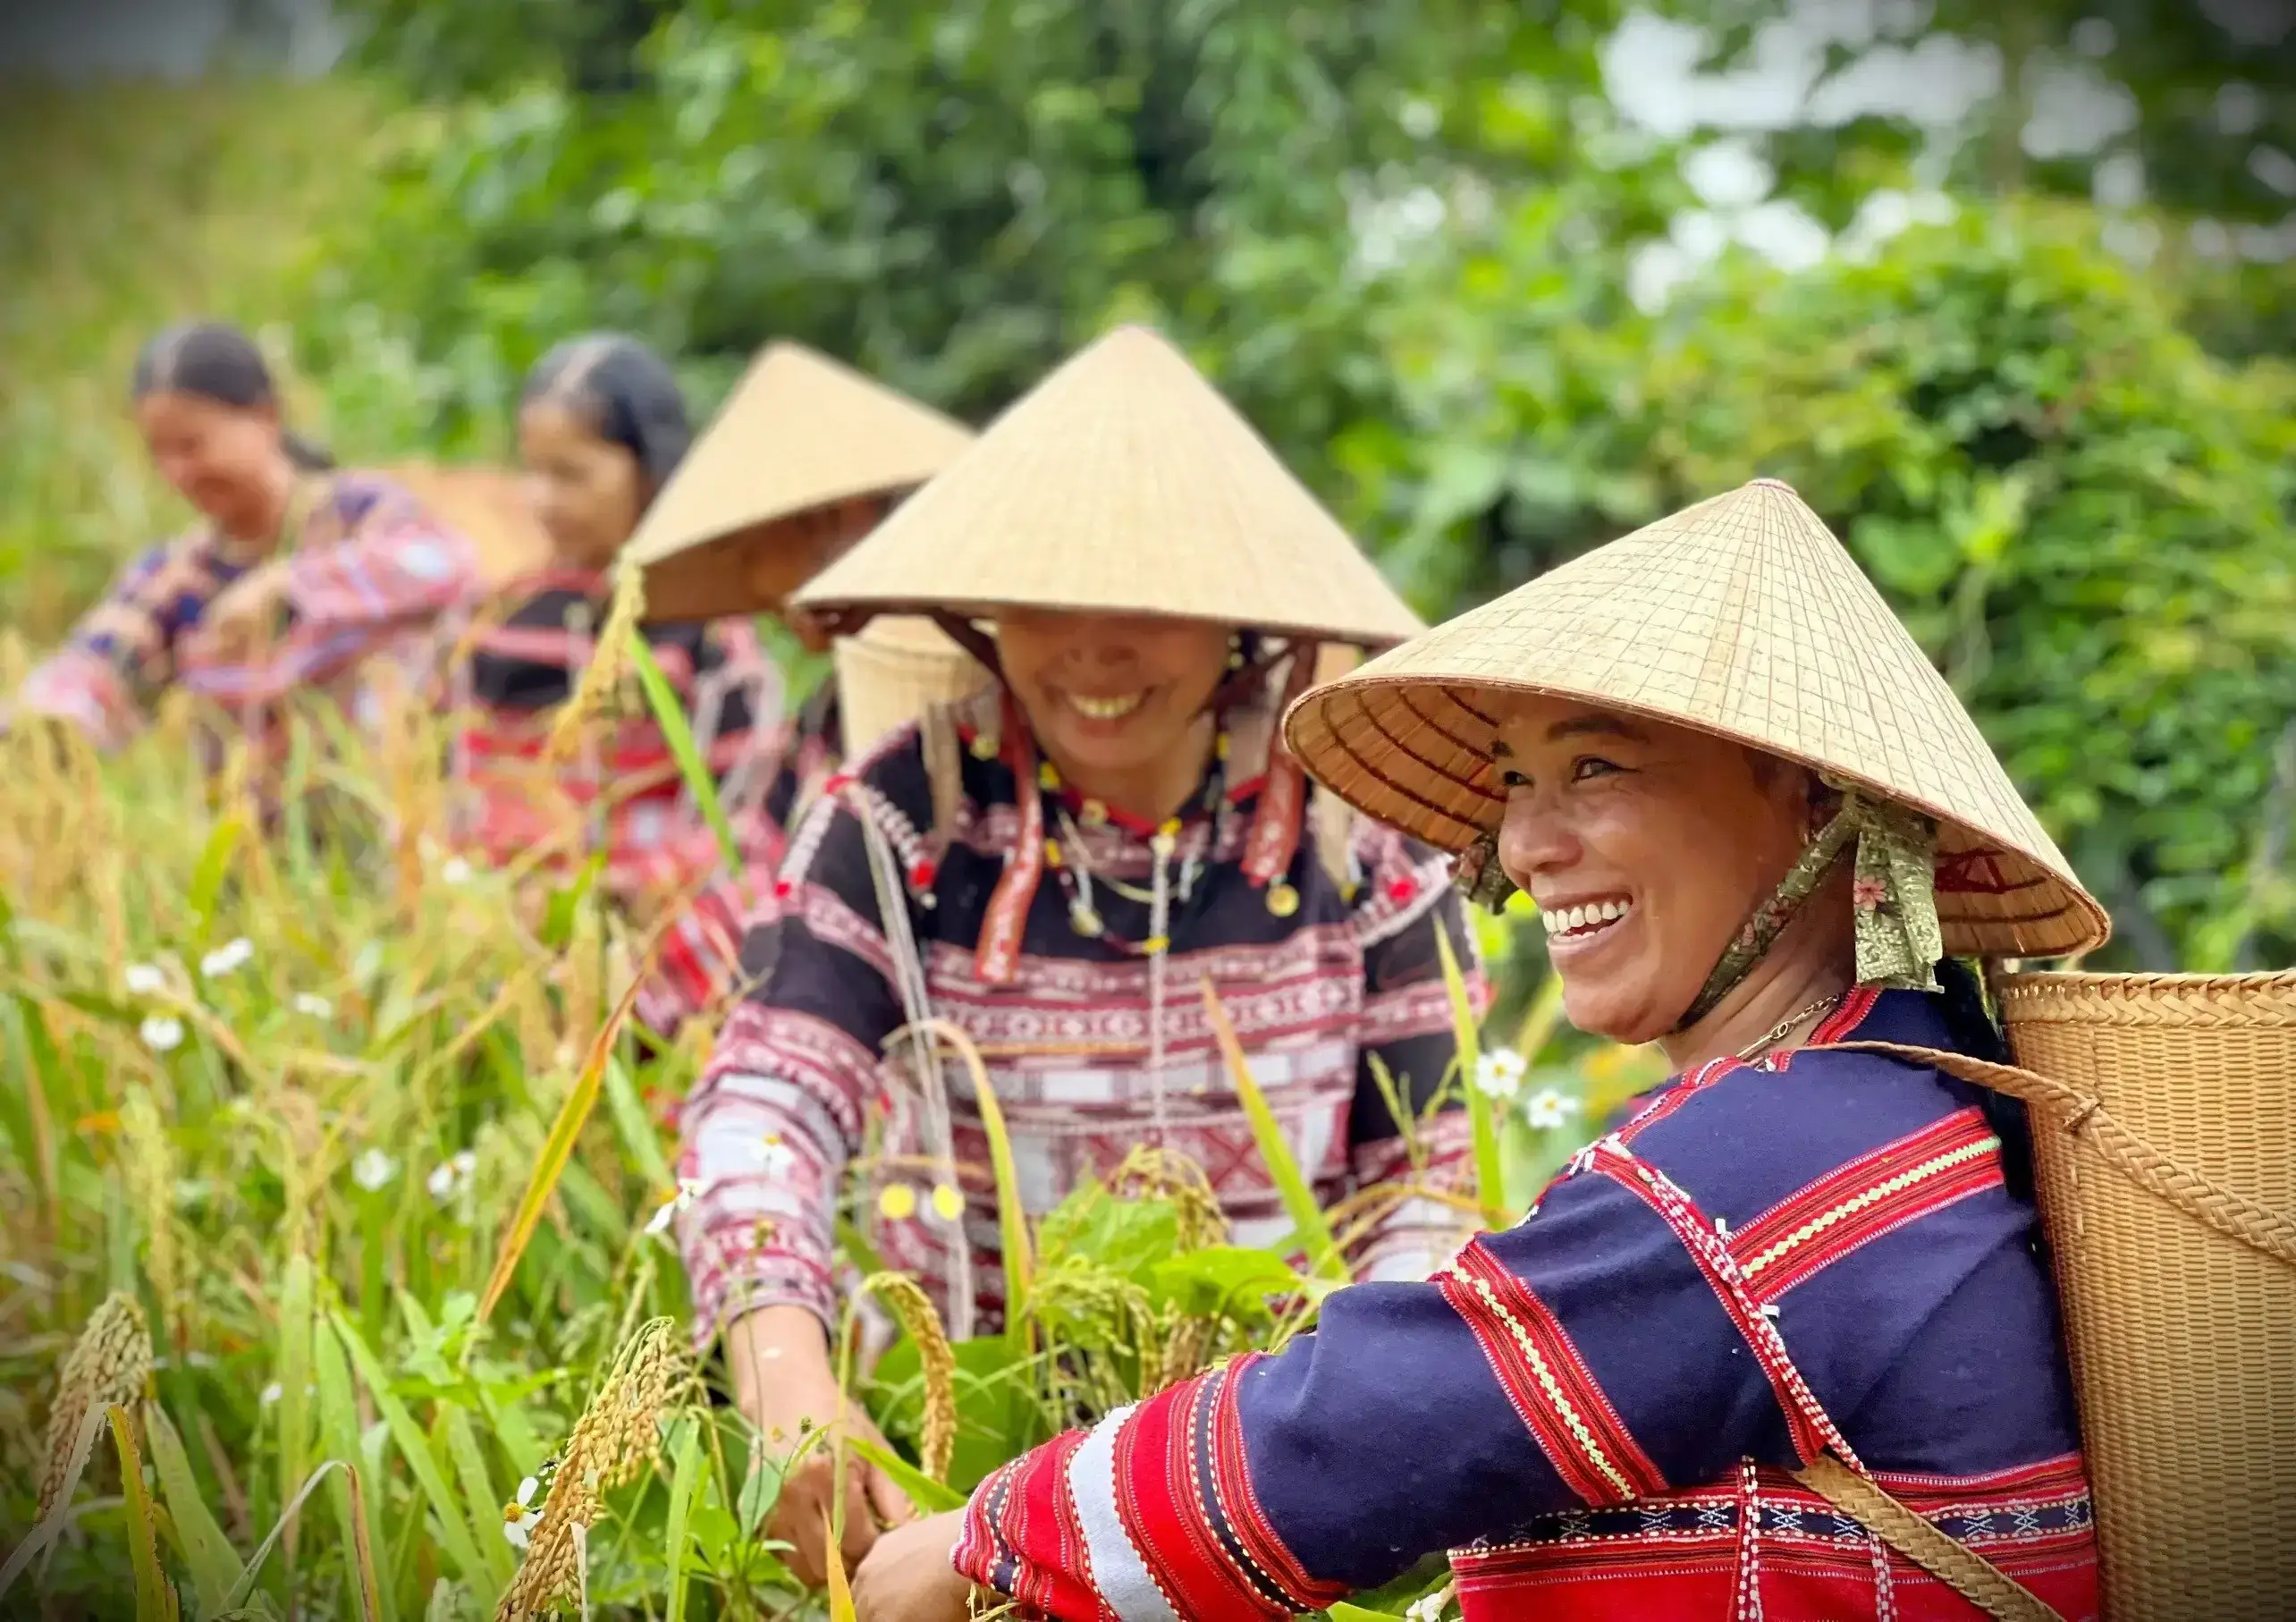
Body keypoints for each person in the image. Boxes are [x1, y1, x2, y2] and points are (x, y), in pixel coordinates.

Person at [854, 477, 2111, 1622]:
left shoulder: (1769, 1163)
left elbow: (1356, 1432)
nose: (1523, 847)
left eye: (1597, 767)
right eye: (1516, 781)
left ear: (1820, 806)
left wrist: (988, 1535)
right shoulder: (1910, 1088)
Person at [674, 325, 1488, 1590]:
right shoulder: (909, 816)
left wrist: (1315, 1447)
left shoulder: (1356, 838)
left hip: (1267, 1494)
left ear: (1241, 619)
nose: (1095, 649)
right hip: (945, 1467)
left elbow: (1430, 1178)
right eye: (1050, 595)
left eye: (1153, 603)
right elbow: (765, 1100)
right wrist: (789, 1379)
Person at [441, 334, 786, 1026]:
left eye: (571, 475)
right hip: (510, 940)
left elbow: (748, 822)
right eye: (533, 472)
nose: (543, 500)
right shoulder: (503, 620)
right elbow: (463, 785)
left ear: (652, 471)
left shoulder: (709, 636)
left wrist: (625, 894)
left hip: (660, 944)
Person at [11, 321, 476, 753]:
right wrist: (40, 721)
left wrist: (289, 586)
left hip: (395, 818)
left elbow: (445, 563)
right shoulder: (178, 578)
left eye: (192, 446)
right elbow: (96, 661)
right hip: (256, 833)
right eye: (160, 453)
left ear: (265, 417)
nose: (177, 473)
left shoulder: (358, 512)